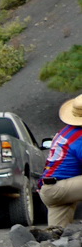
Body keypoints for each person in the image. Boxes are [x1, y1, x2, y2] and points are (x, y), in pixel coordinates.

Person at [38, 93, 82, 229]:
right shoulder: (80, 137)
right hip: (60, 188)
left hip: (50, 189)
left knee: (58, 238)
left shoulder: (66, 132)